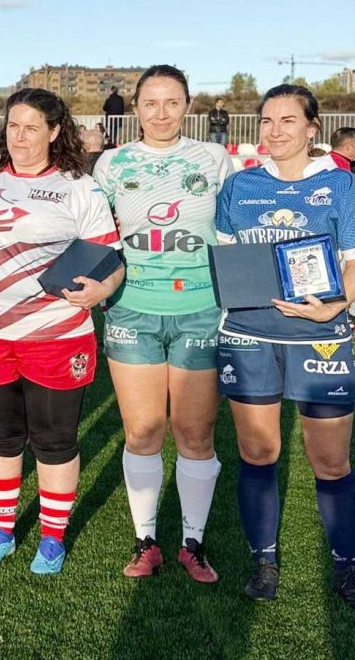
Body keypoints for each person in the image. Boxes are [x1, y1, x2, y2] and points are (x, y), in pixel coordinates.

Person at [0, 87, 123, 575]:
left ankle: (51, 537)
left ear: (55, 132)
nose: (20, 136)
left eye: (33, 127)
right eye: (13, 126)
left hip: (56, 334)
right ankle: (1, 530)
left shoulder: (79, 185)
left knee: (54, 438)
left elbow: (111, 258)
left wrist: (102, 290)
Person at [215, 84, 355, 606]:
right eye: (267, 121)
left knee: (331, 461)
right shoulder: (240, 186)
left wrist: (337, 306)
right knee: (258, 451)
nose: (275, 131)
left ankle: (346, 562)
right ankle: (265, 559)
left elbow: (351, 260)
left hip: (319, 334)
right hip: (249, 336)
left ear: (312, 128)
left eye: (288, 121)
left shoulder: (340, 186)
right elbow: (229, 261)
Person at [93, 65, 232, 582]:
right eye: (151, 103)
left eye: (172, 102)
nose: (161, 113)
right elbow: (90, 229)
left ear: (188, 105)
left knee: (194, 432)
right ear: (135, 108)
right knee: (142, 430)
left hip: (200, 308)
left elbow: (241, 225)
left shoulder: (214, 159)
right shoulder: (112, 163)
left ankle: (192, 542)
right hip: (133, 308)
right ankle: (146, 539)